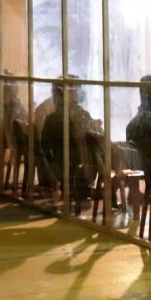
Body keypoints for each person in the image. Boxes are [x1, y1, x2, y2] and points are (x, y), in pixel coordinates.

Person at [41, 78, 103, 209]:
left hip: (63, 166)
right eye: (76, 89)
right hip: (73, 164)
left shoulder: (56, 117)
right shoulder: (73, 115)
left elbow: (44, 145)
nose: (79, 92)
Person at [0, 72, 29, 184]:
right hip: (6, 135)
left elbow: (26, 116)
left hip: (7, 133)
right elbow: (25, 117)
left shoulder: (12, 101)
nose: (15, 88)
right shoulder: (0, 98)